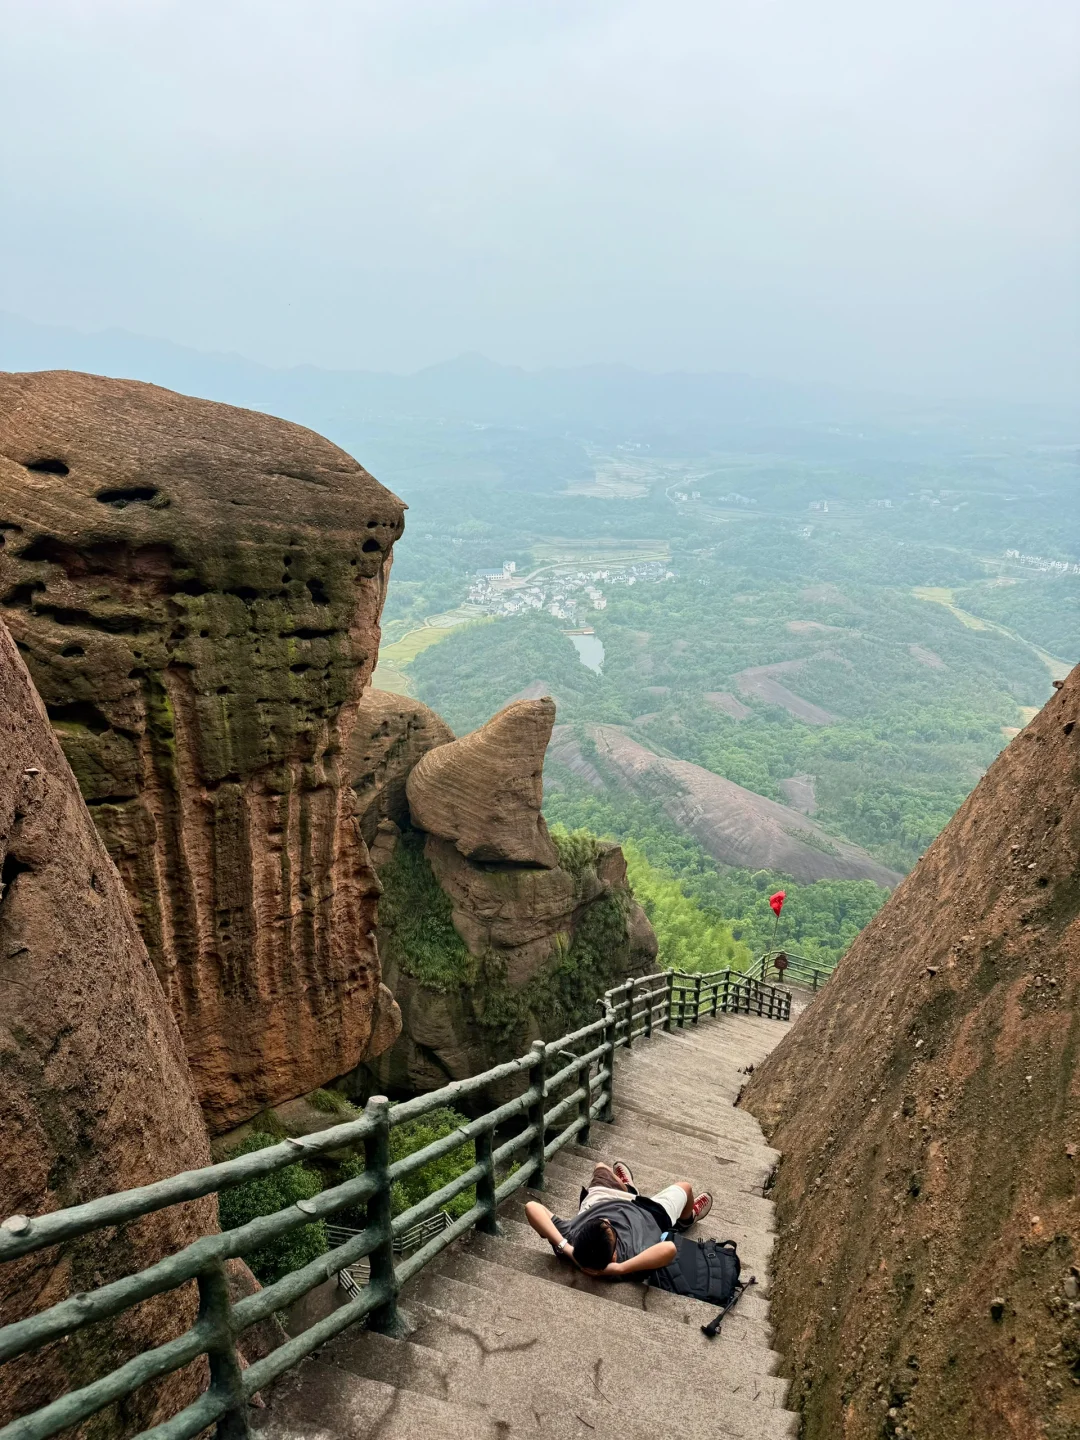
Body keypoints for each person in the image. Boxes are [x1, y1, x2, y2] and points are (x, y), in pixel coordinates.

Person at [523, 1160, 713, 1279]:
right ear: (613, 1256)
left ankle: (629, 1190)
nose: (607, 1219)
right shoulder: (632, 1257)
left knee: (601, 1167)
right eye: (609, 1226)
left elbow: (532, 1207)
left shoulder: (571, 1238)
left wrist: (568, 1249)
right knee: (685, 1188)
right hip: (650, 1214)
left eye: (600, 1222)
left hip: (602, 1199)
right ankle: (686, 1219)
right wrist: (620, 1268)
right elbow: (669, 1250)